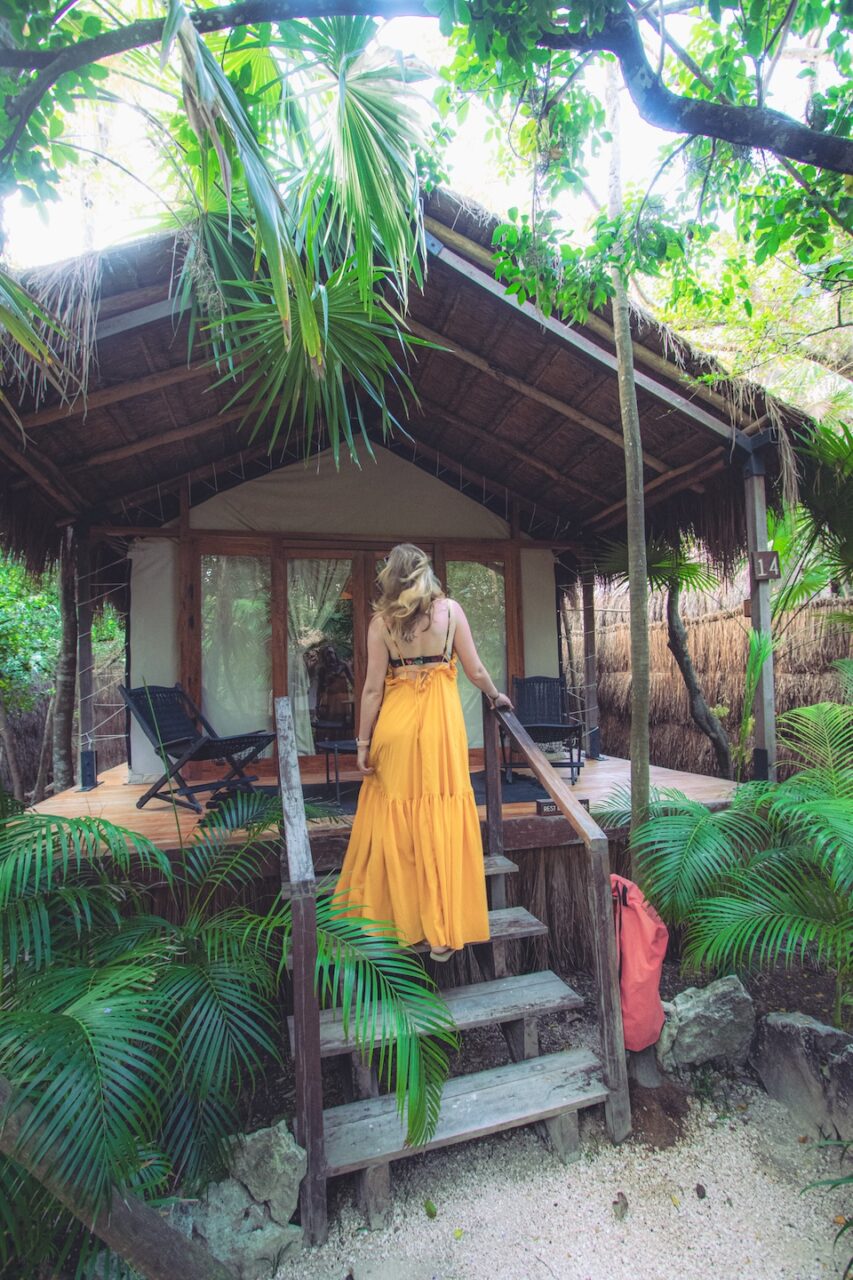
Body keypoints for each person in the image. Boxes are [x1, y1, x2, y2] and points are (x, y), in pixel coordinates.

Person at [336, 544, 513, 962]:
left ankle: (406, 925)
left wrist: (362, 744)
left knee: (399, 824)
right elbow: (476, 670)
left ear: (390, 577)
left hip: (395, 728)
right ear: (426, 573)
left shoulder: (381, 623)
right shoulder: (450, 612)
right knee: (437, 817)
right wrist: (495, 695)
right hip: (440, 729)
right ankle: (440, 934)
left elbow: (373, 689)